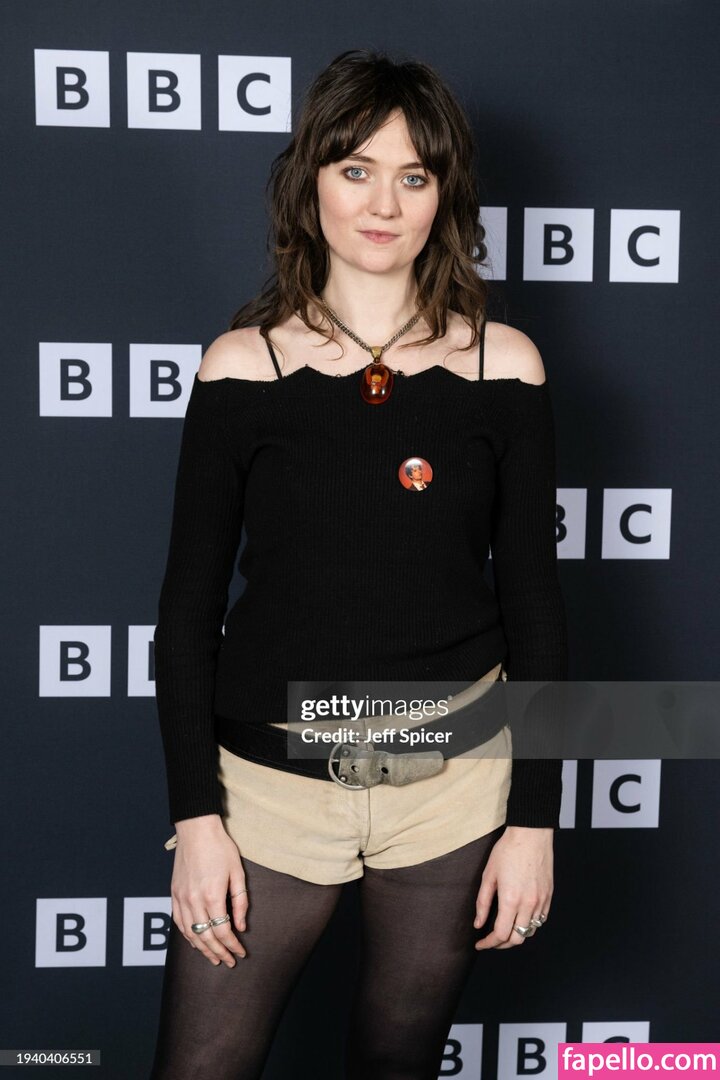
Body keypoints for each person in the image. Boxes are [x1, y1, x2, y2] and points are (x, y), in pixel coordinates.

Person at [149, 47, 568, 1080]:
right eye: (356, 169)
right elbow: (187, 613)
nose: (384, 204)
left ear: (444, 197)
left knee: (396, 1062)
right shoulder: (241, 367)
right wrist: (196, 819)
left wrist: (533, 821)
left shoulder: (505, 365)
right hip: (269, 793)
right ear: (312, 184)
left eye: (414, 176)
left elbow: (536, 610)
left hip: (452, 786)